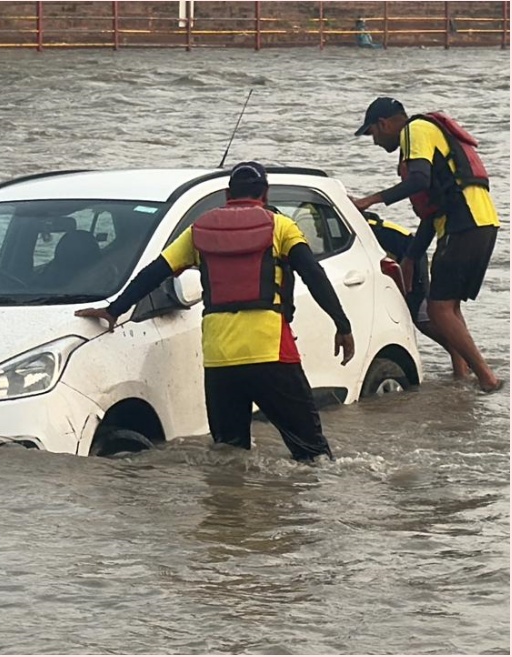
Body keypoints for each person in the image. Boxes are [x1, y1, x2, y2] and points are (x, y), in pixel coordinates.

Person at [75, 162, 354, 463]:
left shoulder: (199, 230)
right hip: (271, 353)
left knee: (229, 456)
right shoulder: (280, 227)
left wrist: (114, 309)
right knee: (312, 454)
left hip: (220, 359)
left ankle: (228, 509)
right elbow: (313, 274)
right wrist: (342, 324)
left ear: (227, 194)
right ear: (266, 193)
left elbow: (155, 272)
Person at [350, 97, 502, 392]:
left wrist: (371, 200)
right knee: (449, 309)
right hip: (481, 224)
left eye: (372, 134)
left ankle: (487, 378)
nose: (375, 142)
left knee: (438, 310)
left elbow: (418, 181)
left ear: (383, 124)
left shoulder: (415, 129)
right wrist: (411, 257)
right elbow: (431, 212)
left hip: (464, 224)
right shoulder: (426, 136)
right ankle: (464, 377)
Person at [363, 211, 469, 377]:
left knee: (420, 315)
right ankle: (461, 364)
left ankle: (460, 366)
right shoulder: (368, 225)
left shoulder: (366, 228)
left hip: (412, 258)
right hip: (405, 255)